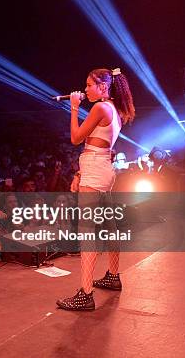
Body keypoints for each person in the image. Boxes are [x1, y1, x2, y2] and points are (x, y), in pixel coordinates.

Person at [56, 67, 135, 311]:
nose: (86, 89)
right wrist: (80, 173)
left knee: (87, 231)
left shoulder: (101, 107)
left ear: (103, 86)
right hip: (100, 169)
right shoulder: (115, 109)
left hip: (95, 170)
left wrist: (73, 106)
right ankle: (112, 275)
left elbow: (77, 138)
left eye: (89, 85)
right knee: (109, 227)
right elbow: (98, 146)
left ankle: (86, 293)